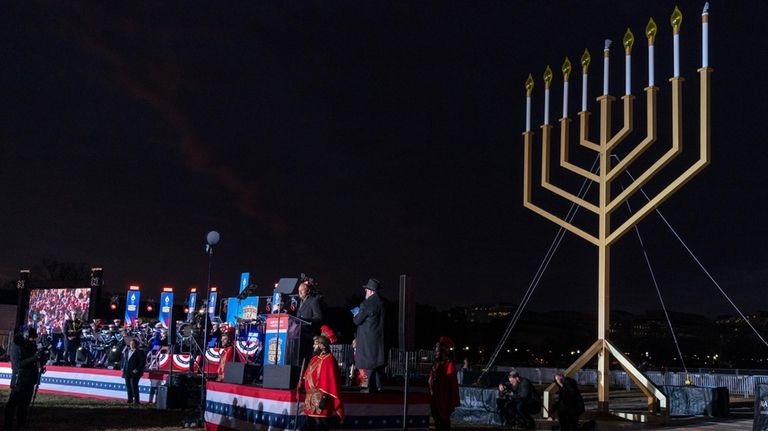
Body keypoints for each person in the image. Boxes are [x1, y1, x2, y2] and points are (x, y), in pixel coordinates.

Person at [302, 334, 344, 431]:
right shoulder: (314, 359)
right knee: (310, 426)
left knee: (321, 426)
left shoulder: (330, 360)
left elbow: (330, 382)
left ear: (322, 346)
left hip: (322, 401)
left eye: (315, 344)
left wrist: (324, 399)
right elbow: (307, 375)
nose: (313, 346)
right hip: (310, 400)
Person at [4, 328, 43, 430]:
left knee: (25, 405)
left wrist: (41, 360)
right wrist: (34, 358)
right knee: (12, 405)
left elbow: (36, 361)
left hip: (30, 379)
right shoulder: (16, 346)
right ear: (26, 336)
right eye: (32, 338)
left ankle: (21, 424)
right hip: (19, 380)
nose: (33, 340)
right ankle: (7, 425)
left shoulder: (31, 345)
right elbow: (17, 365)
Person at [352, 278, 385, 392]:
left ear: (371, 291)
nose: (365, 292)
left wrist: (355, 315)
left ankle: (367, 388)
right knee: (376, 368)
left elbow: (357, 321)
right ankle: (378, 387)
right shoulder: (382, 303)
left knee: (367, 368)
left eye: (366, 290)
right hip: (378, 342)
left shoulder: (366, 304)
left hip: (366, 342)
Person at [428, 336, 460, 431]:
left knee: (443, 422)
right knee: (437, 420)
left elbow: (451, 384)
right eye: (436, 351)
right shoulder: (435, 364)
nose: (436, 353)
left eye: (438, 351)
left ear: (444, 351)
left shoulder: (449, 364)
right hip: (435, 397)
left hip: (444, 399)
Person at [296, 275, 326, 364]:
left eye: (302, 290)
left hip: (309, 335)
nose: (300, 292)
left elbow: (318, 317)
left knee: (308, 358)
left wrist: (305, 320)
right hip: (300, 335)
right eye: (299, 291)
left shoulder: (313, 301)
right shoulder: (299, 302)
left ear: (308, 290)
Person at [121, 338, 146, 405]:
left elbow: (142, 362)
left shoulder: (140, 352)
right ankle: (130, 399)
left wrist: (137, 369)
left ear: (136, 345)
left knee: (134, 386)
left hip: (135, 372)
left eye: (133, 344)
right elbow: (125, 361)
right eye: (131, 343)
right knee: (128, 386)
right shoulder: (127, 351)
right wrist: (123, 368)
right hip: (127, 371)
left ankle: (137, 401)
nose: (131, 345)